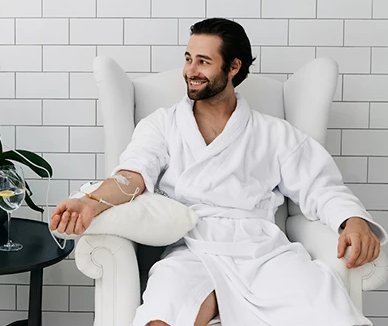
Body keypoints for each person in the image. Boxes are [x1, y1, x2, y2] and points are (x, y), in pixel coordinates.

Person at [49, 18, 386, 326]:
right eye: (187, 58)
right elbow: (132, 176)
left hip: (262, 251)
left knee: (328, 315)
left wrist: (352, 220)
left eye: (203, 61)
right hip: (193, 247)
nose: (190, 70)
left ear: (234, 67)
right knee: (161, 317)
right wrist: (91, 203)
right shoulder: (163, 125)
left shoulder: (273, 133)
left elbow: (321, 186)